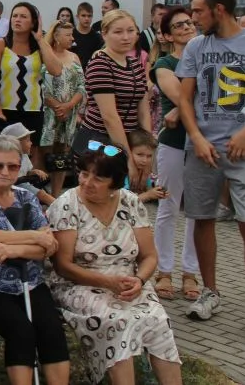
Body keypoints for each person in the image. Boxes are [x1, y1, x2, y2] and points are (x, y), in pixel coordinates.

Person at [46, 144, 182, 385]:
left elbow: (150, 256)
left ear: (115, 183)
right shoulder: (67, 204)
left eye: (98, 178)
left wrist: (139, 281)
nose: (87, 182)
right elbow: (62, 266)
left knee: (158, 319)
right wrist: (107, 282)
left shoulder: (130, 202)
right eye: (84, 174)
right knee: (118, 321)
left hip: (128, 281)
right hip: (78, 283)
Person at [0, 135, 69, 385]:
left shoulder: (26, 197)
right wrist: (32, 237)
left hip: (29, 282)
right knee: (21, 330)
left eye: (13, 166)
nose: (5, 172)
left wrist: (13, 250)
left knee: (51, 330)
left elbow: (49, 247)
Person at [177, 0, 245, 321]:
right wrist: (197, 136)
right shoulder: (194, 47)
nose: (193, 18)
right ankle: (210, 291)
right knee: (202, 219)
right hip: (203, 148)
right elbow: (184, 97)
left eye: (198, 11)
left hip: (243, 149)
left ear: (219, 9)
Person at [149, 6, 200, 302]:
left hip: (204, 140)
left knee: (197, 211)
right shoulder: (165, 63)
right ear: (167, 34)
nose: (186, 28)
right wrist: (182, 108)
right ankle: (164, 271)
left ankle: (190, 272)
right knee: (168, 207)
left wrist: (181, 111)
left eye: (190, 23)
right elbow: (179, 93)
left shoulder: (206, 58)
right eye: (179, 25)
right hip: (173, 142)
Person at [73, 9, 151, 184]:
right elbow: (109, 117)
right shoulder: (100, 63)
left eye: (131, 31)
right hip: (99, 142)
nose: (126, 37)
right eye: (118, 32)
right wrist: (127, 158)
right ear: (105, 34)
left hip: (129, 139)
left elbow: (144, 109)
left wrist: (145, 150)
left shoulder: (135, 63)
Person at [0, 2, 62, 174]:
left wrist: (41, 39)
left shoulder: (39, 48)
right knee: (6, 154)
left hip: (33, 109)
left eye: (23, 16)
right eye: (15, 15)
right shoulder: (1, 45)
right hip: (6, 109)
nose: (17, 20)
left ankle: (30, 192)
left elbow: (56, 70)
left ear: (33, 22)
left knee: (30, 154)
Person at [38, 19, 86, 195]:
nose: (72, 38)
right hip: (49, 113)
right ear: (56, 37)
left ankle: (56, 195)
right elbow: (40, 85)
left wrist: (70, 105)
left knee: (62, 156)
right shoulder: (45, 55)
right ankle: (41, 193)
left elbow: (82, 85)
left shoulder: (74, 57)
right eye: (68, 35)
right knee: (45, 153)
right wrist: (57, 106)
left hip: (69, 114)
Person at [71, 1, 104, 69]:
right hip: (73, 73)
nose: (86, 18)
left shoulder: (97, 37)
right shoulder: (70, 35)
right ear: (77, 16)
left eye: (89, 16)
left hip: (91, 73)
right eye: (83, 15)